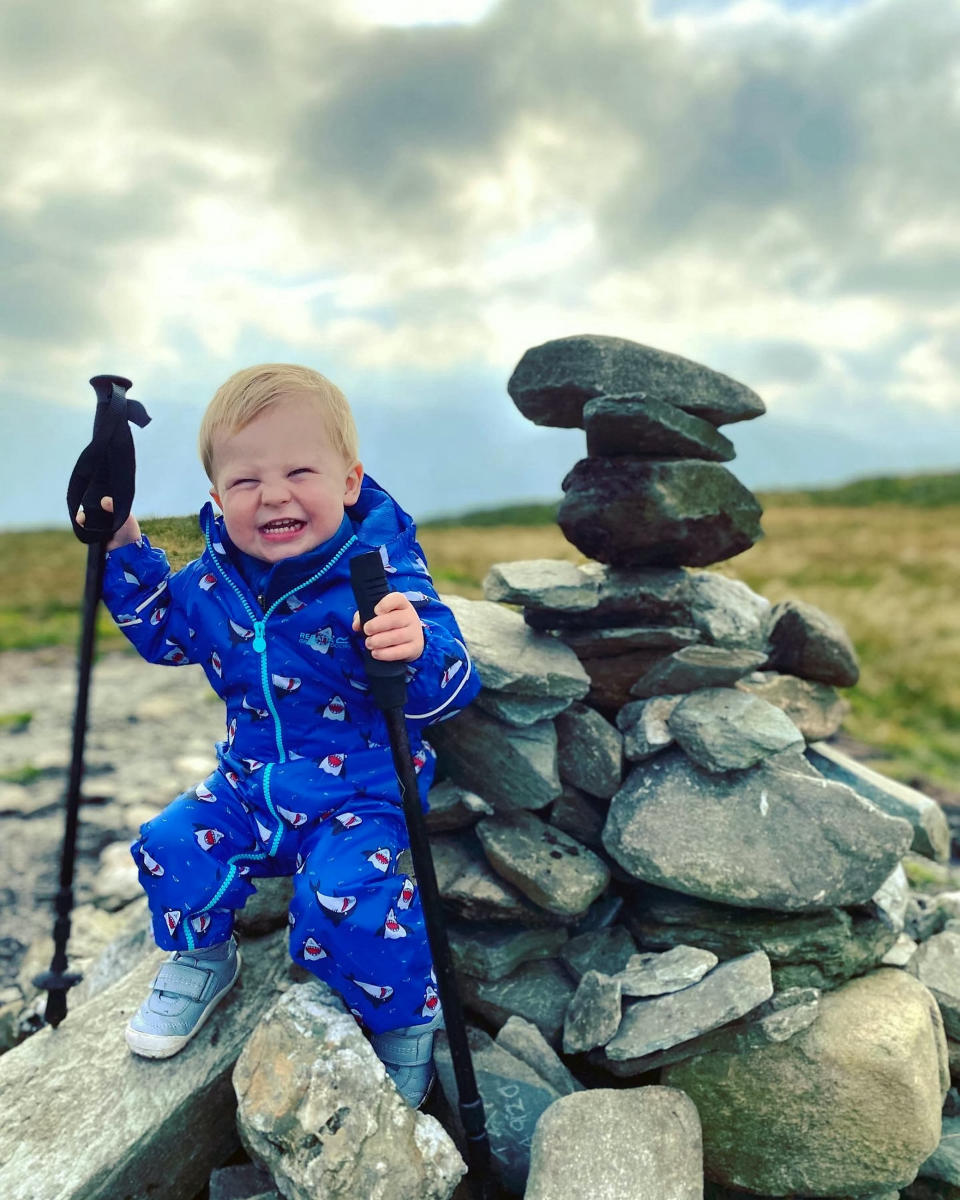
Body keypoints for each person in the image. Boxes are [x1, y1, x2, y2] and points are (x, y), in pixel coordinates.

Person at [78, 363, 480, 1108]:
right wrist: (121, 540)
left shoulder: (378, 576)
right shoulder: (213, 582)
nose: (273, 495)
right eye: (244, 482)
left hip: (358, 794)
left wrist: (414, 646)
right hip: (247, 786)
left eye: (300, 470)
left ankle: (403, 1026)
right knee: (169, 841)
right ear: (216, 498)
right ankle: (202, 956)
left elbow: (450, 687)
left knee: (350, 898)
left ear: (350, 481)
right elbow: (162, 631)